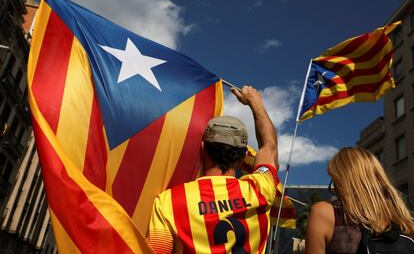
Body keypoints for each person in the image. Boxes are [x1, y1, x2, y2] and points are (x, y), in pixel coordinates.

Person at [147, 85, 279, 253]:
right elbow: (269, 147)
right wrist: (255, 101)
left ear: (203, 149)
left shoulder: (168, 202)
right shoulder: (260, 189)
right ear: (242, 157)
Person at [305, 147, 414, 254]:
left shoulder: (325, 212)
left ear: (343, 182)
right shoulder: (405, 223)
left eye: (335, 181)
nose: (334, 189)